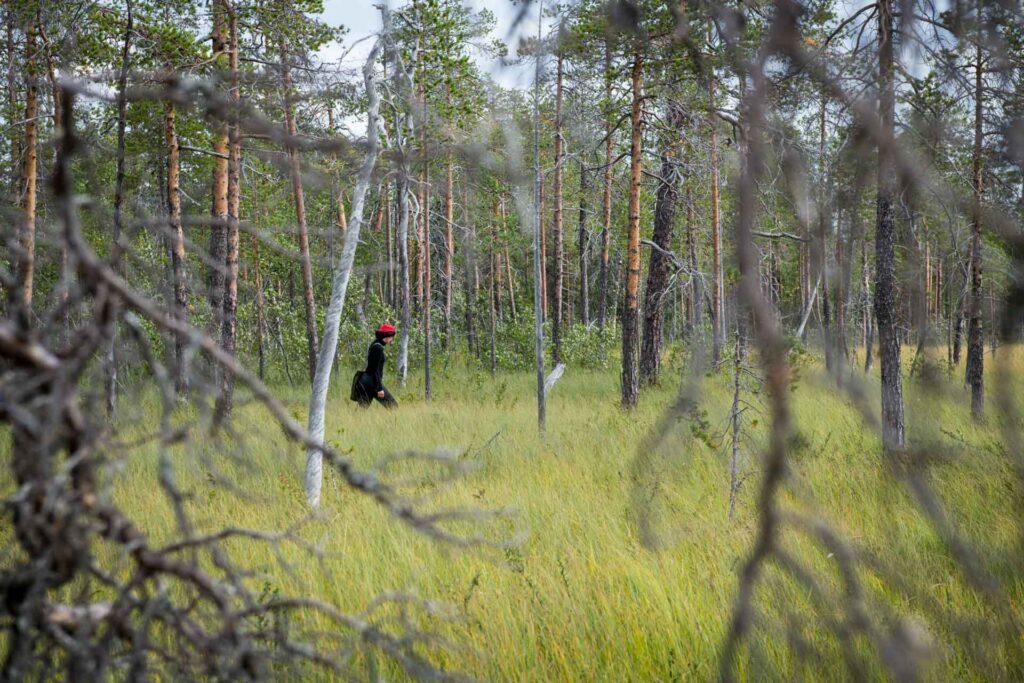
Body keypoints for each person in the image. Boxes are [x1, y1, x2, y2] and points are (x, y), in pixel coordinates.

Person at [354, 324, 398, 409]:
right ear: (387, 336)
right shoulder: (378, 348)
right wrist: (379, 388)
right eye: (392, 337)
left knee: (361, 409)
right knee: (393, 406)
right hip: (371, 382)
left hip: (367, 381)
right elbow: (374, 370)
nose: (392, 339)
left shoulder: (375, 344)